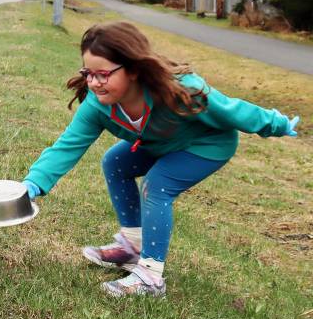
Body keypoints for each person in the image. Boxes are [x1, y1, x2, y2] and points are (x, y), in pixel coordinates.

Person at [21, 21, 299, 298]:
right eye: (88, 73)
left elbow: (232, 111)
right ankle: (132, 247)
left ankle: (151, 277)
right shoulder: (96, 105)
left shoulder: (180, 90)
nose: (94, 82)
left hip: (207, 145)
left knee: (156, 185)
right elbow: (67, 146)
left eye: (103, 74)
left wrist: (277, 124)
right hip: (161, 144)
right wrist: (32, 184)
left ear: (133, 69)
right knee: (115, 163)